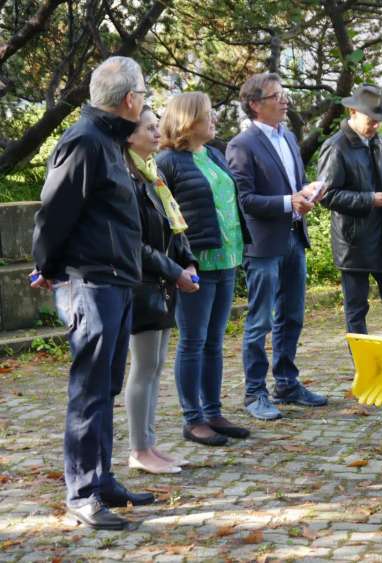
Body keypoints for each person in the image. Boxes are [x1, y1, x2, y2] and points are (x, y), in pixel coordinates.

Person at [30, 56, 155, 530]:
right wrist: (48, 267)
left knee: (107, 386)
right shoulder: (84, 141)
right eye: (142, 94)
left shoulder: (108, 140)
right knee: (89, 391)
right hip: (94, 281)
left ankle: (102, 480)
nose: (144, 102)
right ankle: (82, 492)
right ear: (129, 100)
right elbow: (54, 213)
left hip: (117, 281)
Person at [226, 72, 327, 421]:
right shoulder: (242, 144)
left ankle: (286, 382)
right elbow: (246, 200)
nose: (285, 100)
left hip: (294, 240)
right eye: (276, 95)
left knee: (291, 316)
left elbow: (293, 188)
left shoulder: (289, 137)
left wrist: (308, 194)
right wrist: (289, 202)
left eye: (284, 94)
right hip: (264, 245)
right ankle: (255, 392)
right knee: (259, 323)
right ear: (255, 104)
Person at [156, 92, 251, 445]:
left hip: (227, 258)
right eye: (208, 115)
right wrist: (180, 263)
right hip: (196, 264)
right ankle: (192, 418)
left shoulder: (212, 154)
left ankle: (213, 412)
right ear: (188, 121)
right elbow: (164, 219)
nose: (214, 121)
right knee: (193, 341)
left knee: (214, 341)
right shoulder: (168, 162)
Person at [123, 106, 199, 473]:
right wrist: (174, 270)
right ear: (129, 136)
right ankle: (139, 449)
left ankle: (149, 444)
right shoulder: (128, 178)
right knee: (144, 366)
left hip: (162, 280)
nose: (158, 133)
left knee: (154, 367)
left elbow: (173, 226)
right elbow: (136, 242)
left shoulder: (152, 173)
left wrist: (188, 263)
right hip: (142, 282)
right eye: (149, 128)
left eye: (157, 127)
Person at [318, 84, 382, 337]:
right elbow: (326, 195)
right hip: (354, 241)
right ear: (352, 113)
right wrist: (369, 199)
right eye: (372, 120)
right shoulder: (336, 147)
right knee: (357, 308)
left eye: (380, 120)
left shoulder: (380, 143)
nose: (377, 126)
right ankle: (364, 367)